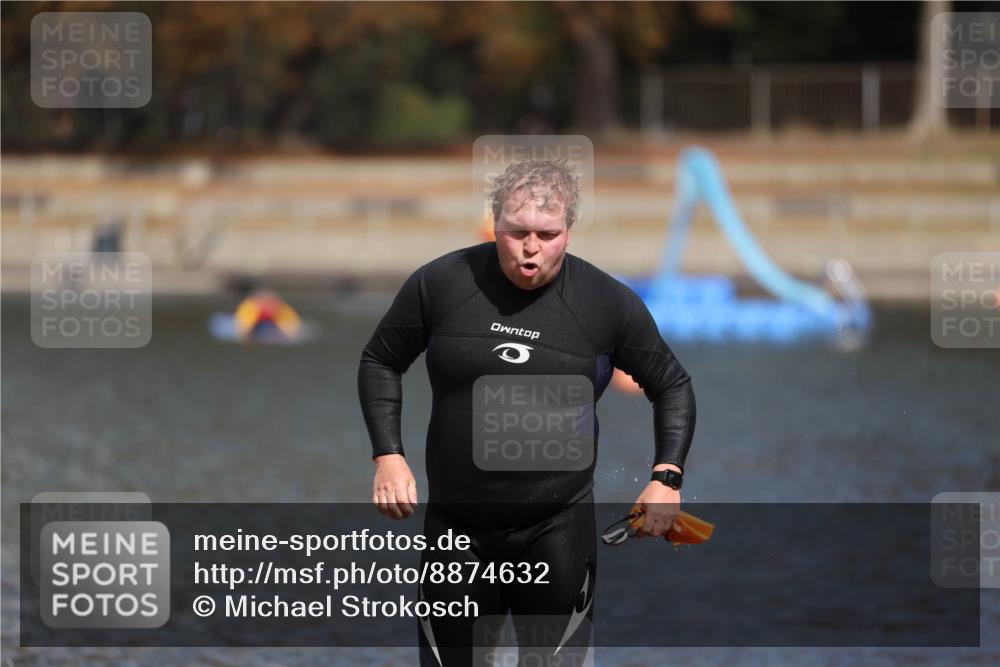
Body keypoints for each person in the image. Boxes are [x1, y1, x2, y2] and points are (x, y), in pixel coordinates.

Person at [358, 159, 696, 666]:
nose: (531, 248)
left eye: (547, 233)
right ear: (495, 222)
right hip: (458, 530)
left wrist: (665, 479)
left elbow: (672, 385)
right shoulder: (442, 284)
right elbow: (380, 360)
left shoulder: (606, 303)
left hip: (556, 530)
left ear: (569, 231)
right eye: (517, 233)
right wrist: (388, 455)